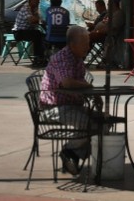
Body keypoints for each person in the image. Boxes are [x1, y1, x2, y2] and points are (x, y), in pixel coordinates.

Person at [39, 26, 103, 176]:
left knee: (103, 122)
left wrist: (93, 94)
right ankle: (69, 151)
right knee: (90, 125)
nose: (88, 47)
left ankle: (72, 155)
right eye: (85, 43)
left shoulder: (77, 59)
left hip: (72, 105)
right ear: (73, 45)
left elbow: (79, 84)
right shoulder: (63, 58)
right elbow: (66, 82)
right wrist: (89, 87)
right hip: (54, 107)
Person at [13, 0, 46, 66]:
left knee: (41, 35)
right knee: (38, 35)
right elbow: (32, 20)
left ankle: (40, 57)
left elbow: (37, 20)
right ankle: (38, 58)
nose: (38, 2)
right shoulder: (26, 8)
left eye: (38, 0)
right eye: (37, 0)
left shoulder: (34, 9)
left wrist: (39, 19)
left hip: (27, 31)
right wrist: (39, 19)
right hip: (19, 32)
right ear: (31, 0)